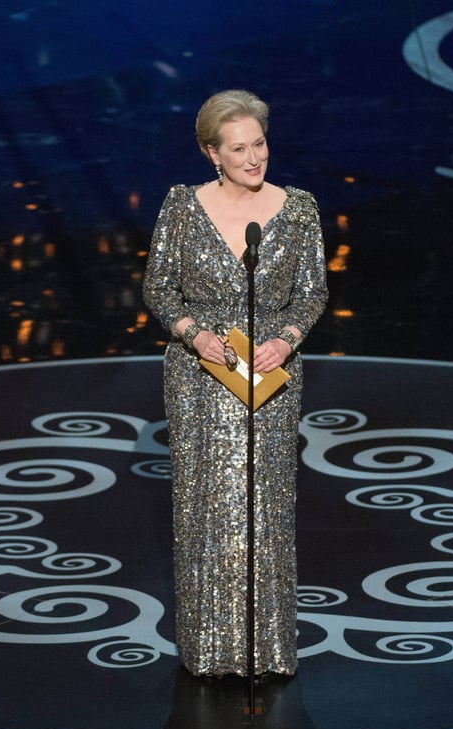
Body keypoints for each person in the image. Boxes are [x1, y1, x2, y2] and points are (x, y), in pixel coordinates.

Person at [143, 89, 328, 677]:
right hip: (199, 376)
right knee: (207, 508)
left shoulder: (298, 209)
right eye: (239, 148)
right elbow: (158, 289)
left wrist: (289, 337)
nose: (255, 158)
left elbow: (313, 291)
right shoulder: (180, 207)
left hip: (269, 376)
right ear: (211, 153)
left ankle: (268, 650)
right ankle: (210, 652)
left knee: (264, 507)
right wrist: (193, 333)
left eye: (261, 144)